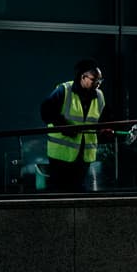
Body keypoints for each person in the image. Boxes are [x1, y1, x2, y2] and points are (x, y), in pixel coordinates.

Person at [40, 59, 112, 193]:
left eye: (100, 80)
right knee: (59, 192)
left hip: (84, 155)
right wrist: (63, 127)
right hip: (61, 154)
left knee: (78, 191)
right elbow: (46, 112)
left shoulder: (99, 96)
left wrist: (103, 130)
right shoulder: (64, 90)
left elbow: (102, 120)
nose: (98, 83)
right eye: (95, 79)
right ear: (83, 77)